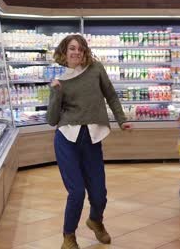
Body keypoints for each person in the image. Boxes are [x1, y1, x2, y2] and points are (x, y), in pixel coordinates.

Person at [46, 34, 131, 249]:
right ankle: (68, 236)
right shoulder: (60, 81)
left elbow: (111, 95)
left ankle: (95, 221)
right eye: (72, 48)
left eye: (81, 49)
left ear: (85, 52)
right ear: (64, 52)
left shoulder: (96, 69)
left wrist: (122, 120)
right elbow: (51, 120)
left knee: (99, 193)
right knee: (76, 192)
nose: (76, 52)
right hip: (67, 139)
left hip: (91, 139)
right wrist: (55, 93)